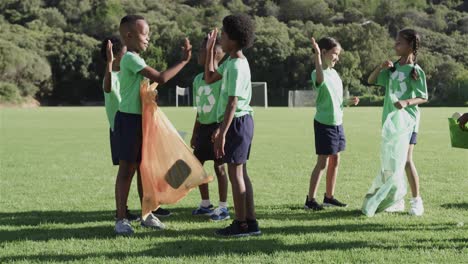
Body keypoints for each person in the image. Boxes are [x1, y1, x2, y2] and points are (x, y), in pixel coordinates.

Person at [114, 15, 192, 235]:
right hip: (129, 120)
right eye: (144, 34)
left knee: (144, 169)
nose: (148, 38)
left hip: (141, 121)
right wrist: (184, 61)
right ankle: (120, 219)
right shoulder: (131, 58)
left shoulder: (135, 58)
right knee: (126, 170)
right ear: (129, 35)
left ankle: (146, 215)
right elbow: (161, 77)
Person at [204, 14, 260, 237]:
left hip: (237, 122)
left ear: (234, 40)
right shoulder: (230, 62)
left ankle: (241, 224)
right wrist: (209, 50)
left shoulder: (237, 66)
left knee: (236, 174)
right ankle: (251, 222)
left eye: (224, 36)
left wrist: (221, 133)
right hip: (238, 122)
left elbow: (232, 102)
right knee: (241, 173)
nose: (221, 40)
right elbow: (209, 77)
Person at [368, 29, 428, 216]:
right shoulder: (392, 67)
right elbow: (371, 81)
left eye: (399, 42)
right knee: (393, 162)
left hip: (408, 122)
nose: (395, 45)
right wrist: (380, 67)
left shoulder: (415, 71)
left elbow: (423, 97)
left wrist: (405, 102)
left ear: (410, 46)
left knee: (407, 160)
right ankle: (397, 200)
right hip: (390, 121)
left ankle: (417, 201)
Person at [304, 37, 360, 211]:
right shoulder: (317, 73)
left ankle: (329, 197)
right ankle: (310, 200)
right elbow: (320, 79)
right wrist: (317, 56)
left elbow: (336, 101)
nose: (337, 58)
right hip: (324, 124)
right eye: (335, 54)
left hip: (338, 123)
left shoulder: (335, 74)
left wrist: (347, 102)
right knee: (322, 163)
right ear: (324, 52)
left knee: (335, 160)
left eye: (338, 54)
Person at [190, 37, 230, 221]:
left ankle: (223, 206)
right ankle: (205, 204)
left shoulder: (221, 79)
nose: (199, 53)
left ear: (213, 54)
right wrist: (194, 132)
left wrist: (221, 128)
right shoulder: (198, 79)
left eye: (202, 50)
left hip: (217, 127)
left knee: (220, 167)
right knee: (196, 166)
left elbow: (229, 105)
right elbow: (199, 109)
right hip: (203, 128)